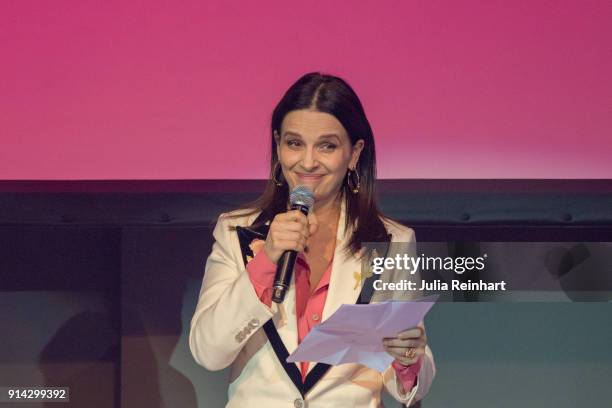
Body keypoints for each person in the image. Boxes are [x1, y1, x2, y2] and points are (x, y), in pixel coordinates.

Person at [189, 72, 435, 407]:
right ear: (278, 146)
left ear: (354, 153)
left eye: (327, 146)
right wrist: (267, 258)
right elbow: (209, 351)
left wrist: (408, 359)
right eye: (294, 143)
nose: (307, 161)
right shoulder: (236, 232)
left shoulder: (391, 241)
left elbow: (409, 386)